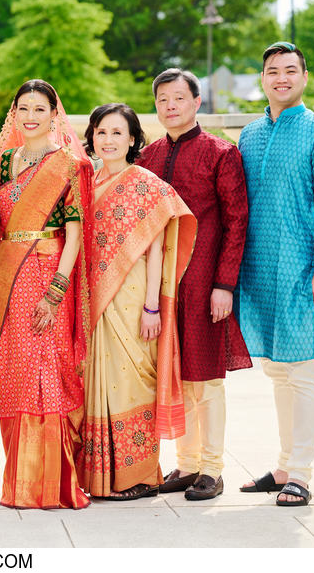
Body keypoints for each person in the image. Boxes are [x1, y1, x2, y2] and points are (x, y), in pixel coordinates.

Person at [137, 68, 251, 501]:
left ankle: (214, 468)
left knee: (206, 380)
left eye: (179, 99)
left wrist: (224, 284)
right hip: (161, 284)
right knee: (177, 376)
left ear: (197, 102)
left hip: (205, 281)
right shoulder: (147, 156)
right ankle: (186, 465)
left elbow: (237, 221)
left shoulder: (221, 154)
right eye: (163, 99)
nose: (170, 106)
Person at [236, 42, 314, 507]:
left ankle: (302, 471)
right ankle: (283, 465)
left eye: (290, 70)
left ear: (304, 75)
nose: (281, 78)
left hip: (301, 268)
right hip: (259, 268)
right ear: (263, 77)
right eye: (272, 71)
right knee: (278, 371)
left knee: (302, 372)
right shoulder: (251, 134)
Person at [75, 103, 196, 500]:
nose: (108, 140)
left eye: (117, 133)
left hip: (132, 300)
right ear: (91, 138)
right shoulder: (84, 183)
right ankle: (100, 477)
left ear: (132, 139)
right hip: (92, 299)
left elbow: (158, 250)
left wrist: (151, 307)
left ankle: (140, 476)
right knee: (97, 383)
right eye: (101, 132)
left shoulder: (146, 184)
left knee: (132, 382)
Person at [0, 80, 92, 509]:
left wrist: (55, 292)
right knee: (14, 372)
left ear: (55, 114)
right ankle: (19, 480)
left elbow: (74, 235)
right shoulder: (1, 163)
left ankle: (51, 483)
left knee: (50, 369)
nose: (31, 116)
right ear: (14, 114)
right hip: (6, 277)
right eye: (23, 108)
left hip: (50, 272)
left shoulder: (69, 164)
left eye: (40, 108)